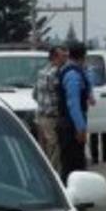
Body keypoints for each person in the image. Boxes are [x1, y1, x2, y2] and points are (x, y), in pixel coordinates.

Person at [55, 41, 91, 182]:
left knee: (75, 161)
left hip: (68, 122)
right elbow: (73, 104)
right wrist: (80, 127)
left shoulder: (72, 71)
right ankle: (75, 196)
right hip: (70, 125)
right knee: (72, 164)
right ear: (83, 56)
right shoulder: (73, 75)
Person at [32, 45, 66, 174]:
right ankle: (53, 176)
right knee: (54, 148)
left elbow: (34, 94)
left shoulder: (41, 72)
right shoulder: (55, 73)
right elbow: (60, 95)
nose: (65, 59)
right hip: (51, 117)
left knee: (44, 148)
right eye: (62, 56)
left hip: (40, 116)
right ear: (55, 57)